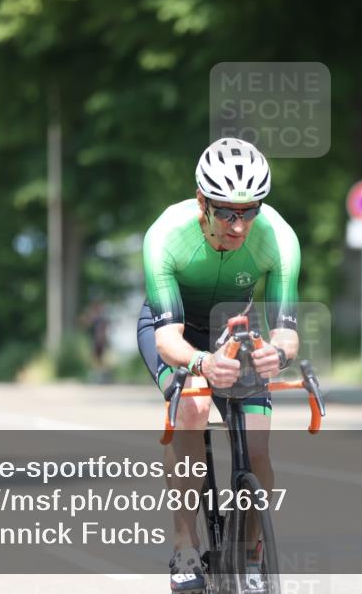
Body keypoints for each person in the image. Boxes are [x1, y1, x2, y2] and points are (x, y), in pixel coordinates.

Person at [137, 138, 300, 593]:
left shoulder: (280, 238)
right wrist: (203, 365)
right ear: (202, 202)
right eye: (228, 211)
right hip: (178, 332)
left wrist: (279, 353)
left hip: (233, 329)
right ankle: (185, 545)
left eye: (250, 211)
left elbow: (286, 329)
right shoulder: (165, 236)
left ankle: (250, 556)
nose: (239, 224)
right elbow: (167, 339)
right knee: (191, 409)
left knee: (259, 444)